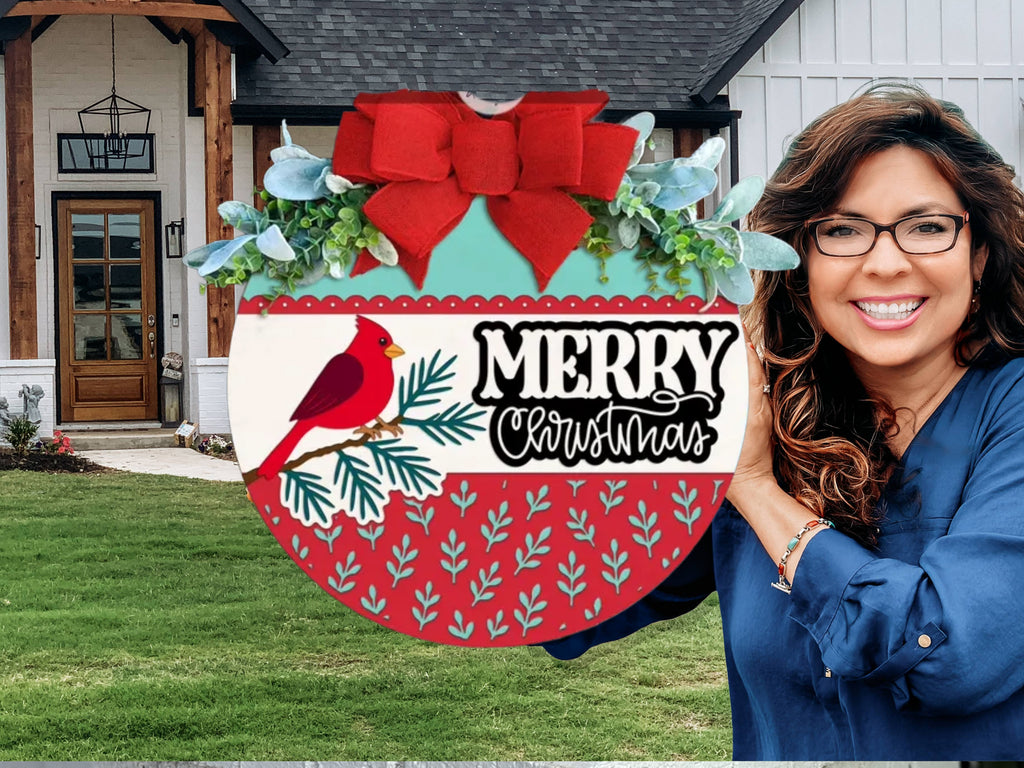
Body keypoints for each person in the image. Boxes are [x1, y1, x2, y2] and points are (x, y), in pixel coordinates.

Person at [544, 83, 1024, 759]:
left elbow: (948, 657)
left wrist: (756, 489)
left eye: (926, 226)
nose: (886, 263)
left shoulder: (1011, 413)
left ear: (978, 255)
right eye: (843, 230)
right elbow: (571, 599)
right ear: (800, 265)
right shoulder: (769, 412)